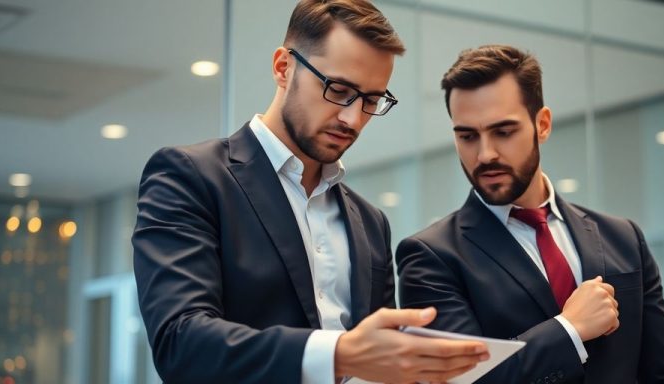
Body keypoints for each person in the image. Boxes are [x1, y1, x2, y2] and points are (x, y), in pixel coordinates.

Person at [131, 1, 489, 383]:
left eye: (371, 100)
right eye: (339, 89)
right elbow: (180, 343)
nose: (353, 118)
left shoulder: (370, 222)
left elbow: (378, 359)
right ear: (283, 68)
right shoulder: (192, 177)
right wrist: (340, 354)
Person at [396, 44, 664, 383]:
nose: (484, 154)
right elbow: (462, 379)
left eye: (503, 132)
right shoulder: (430, 256)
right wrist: (568, 329)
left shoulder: (623, 238)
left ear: (542, 125)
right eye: (467, 136)